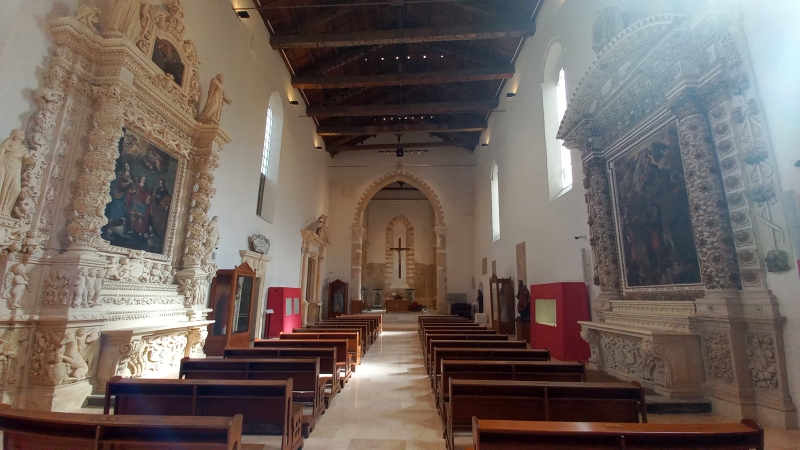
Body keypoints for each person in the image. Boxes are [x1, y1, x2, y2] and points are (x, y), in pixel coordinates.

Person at [0, 129, 32, 217]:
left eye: (23, 133)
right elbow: (2, 150)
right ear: (14, 134)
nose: (22, 134)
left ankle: (5, 210)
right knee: (1, 185)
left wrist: (33, 159)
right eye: (20, 133)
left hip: (16, 168)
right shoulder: (8, 142)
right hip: (5, 165)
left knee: (16, 189)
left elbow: (27, 159)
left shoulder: (23, 148)